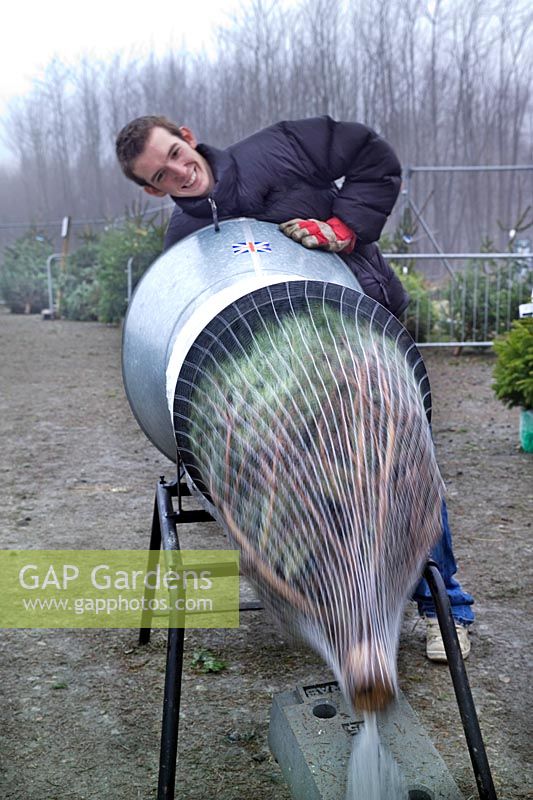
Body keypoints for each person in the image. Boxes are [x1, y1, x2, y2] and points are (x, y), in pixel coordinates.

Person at [115, 114, 474, 660]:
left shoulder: (282, 148)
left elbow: (371, 155)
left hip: (361, 341)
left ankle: (443, 609)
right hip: (285, 391)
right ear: (151, 189)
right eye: (161, 175)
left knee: (406, 469)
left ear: (187, 136)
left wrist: (346, 229)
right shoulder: (184, 243)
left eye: (175, 153)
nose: (179, 172)